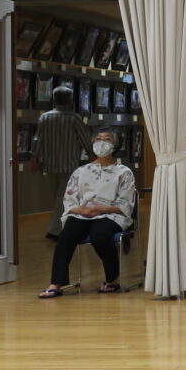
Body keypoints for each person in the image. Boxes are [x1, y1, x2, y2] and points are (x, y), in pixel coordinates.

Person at [37, 125, 136, 298]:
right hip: (82, 213)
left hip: (111, 214)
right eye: (98, 139)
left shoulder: (124, 172)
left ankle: (113, 279)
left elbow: (126, 203)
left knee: (100, 235)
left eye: (107, 139)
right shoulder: (81, 171)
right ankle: (56, 283)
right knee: (66, 236)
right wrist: (80, 209)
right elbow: (70, 199)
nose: (101, 142)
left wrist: (103, 209)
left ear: (116, 145)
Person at [30, 84, 92, 241]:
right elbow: (85, 140)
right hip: (69, 165)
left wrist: (34, 159)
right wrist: (92, 154)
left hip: (49, 165)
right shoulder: (74, 119)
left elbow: (37, 140)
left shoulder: (45, 117)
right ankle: (55, 231)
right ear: (70, 101)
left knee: (58, 198)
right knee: (62, 199)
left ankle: (61, 228)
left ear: (54, 100)